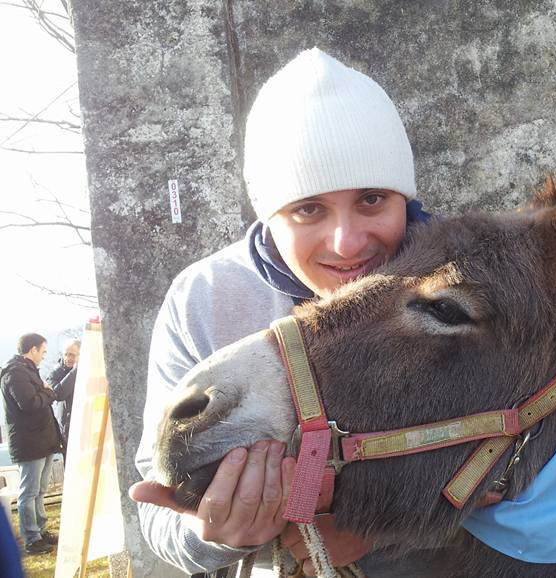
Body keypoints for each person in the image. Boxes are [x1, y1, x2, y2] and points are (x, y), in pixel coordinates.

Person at [129, 48, 430, 576]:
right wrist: (215, 537)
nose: (347, 242)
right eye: (308, 209)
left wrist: (381, 526)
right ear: (269, 217)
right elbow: (158, 511)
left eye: (371, 199)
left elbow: (532, 469)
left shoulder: (462, 289)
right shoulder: (204, 298)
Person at [0, 334, 64, 554]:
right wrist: (48, 392)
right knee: (29, 492)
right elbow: (29, 403)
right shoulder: (15, 373)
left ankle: (40, 529)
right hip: (29, 443)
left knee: (40, 489)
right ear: (32, 350)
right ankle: (31, 538)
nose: (44, 356)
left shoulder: (27, 371)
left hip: (41, 440)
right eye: (43, 351)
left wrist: (45, 391)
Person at [47, 340, 80, 452]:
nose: (68, 358)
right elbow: (58, 394)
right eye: (66, 354)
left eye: (72, 355)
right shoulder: (56, 373)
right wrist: (75, 371)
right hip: (68, 426)